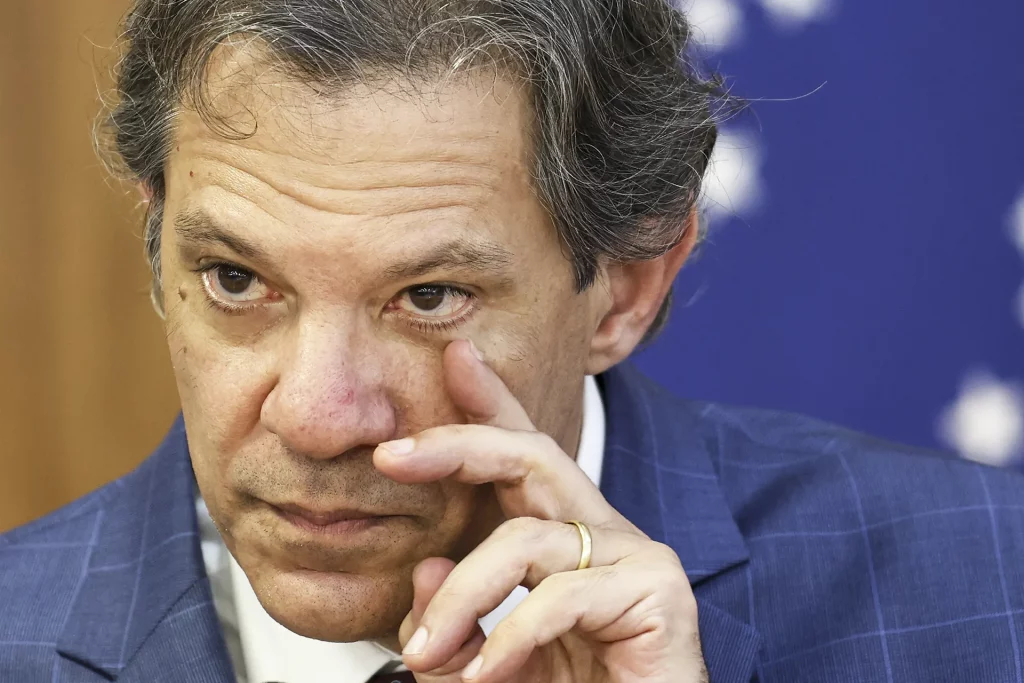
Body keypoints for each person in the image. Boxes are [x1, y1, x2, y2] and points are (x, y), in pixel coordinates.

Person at [2, 0, 1022, 681]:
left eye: (430, 295)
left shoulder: (991, 589)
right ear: (155, 245)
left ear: (624, 289)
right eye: (236, 279)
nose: (315, 418)